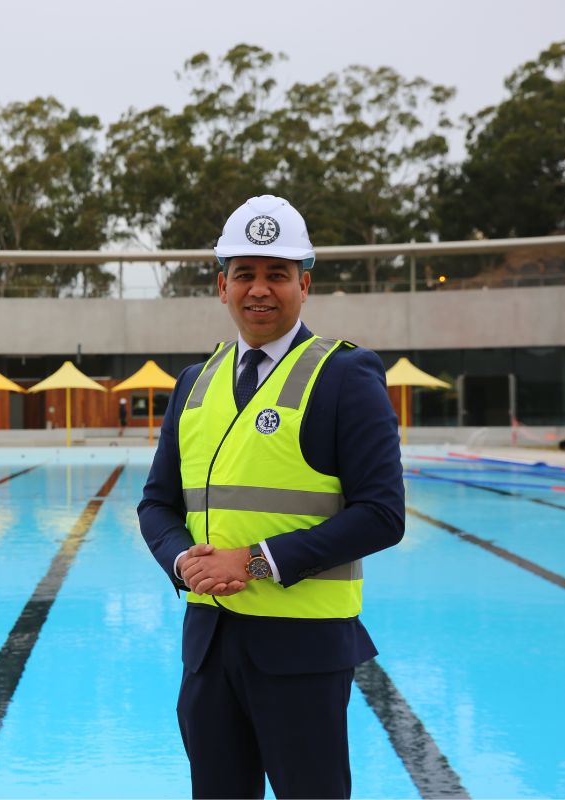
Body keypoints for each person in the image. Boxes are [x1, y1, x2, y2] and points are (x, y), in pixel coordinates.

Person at [137, 195, 404, 799]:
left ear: (304, 284)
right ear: (221, 286)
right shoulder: (194, 383)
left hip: (302, 651)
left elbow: (383, 515)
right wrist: (184, 561)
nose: (260, 289)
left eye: (277, 274)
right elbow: (156, 504)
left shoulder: (344, 375)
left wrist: (253, 561)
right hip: (208, 647)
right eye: (245, 274)